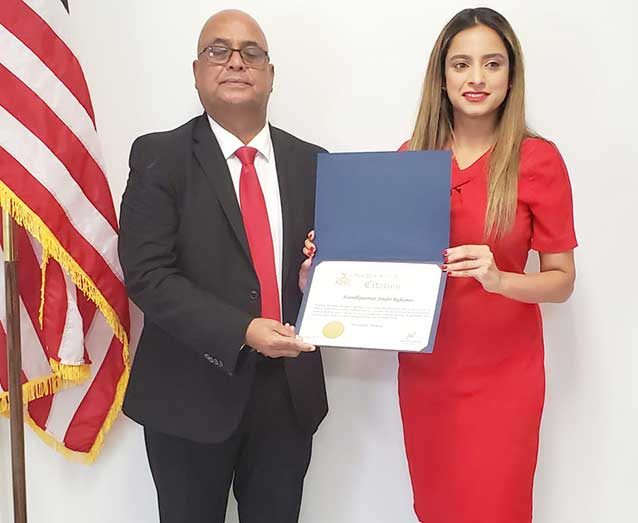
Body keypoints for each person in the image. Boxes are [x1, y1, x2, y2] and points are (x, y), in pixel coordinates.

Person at [302, 7, 576, 523]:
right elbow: (383, 262)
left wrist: (500, 279)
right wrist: (331, 262)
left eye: (492, 64)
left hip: (506, 378)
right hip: (428, 374)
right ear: (442, 76)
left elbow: (562, 282)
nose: (476, 78)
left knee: (498, 509)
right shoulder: (411, 157)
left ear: (511, 75)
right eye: (462, 64)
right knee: (436, 509)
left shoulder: (538, 159)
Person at [119, 9, 327, 523]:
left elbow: (328, 269)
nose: (236, 62)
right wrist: (242, 330)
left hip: (287, 398)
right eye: (219, 50)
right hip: (188, 395)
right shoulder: (159, 156)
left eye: (251, 53)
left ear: (271, 75)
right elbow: (147, 273)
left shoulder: (316, 163)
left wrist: (316, 281)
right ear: (196, 71)